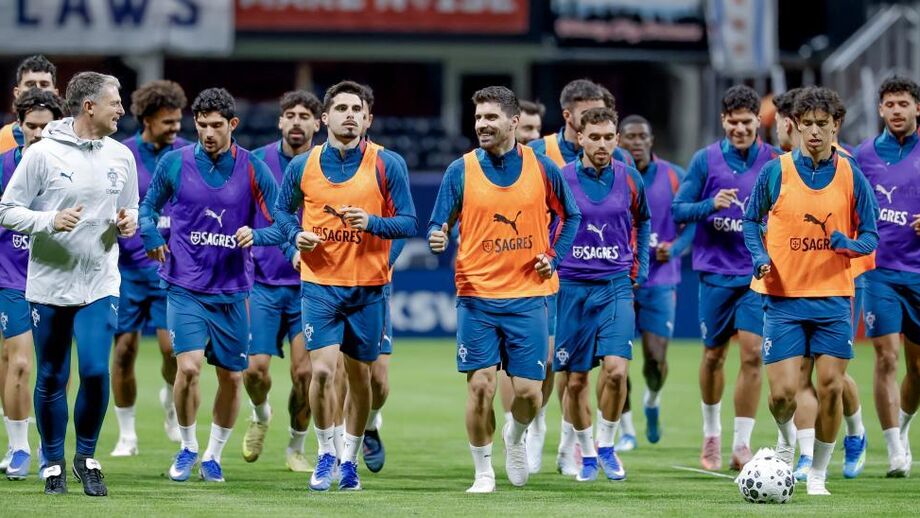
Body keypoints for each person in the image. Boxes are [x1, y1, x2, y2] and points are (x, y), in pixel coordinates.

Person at [428, 86, 581, 492]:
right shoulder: (459, 170)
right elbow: (437, 220)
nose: (482, 124)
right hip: (476, 296)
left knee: (530, 393)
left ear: (514, 122)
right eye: (478, 118)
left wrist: (555, 255)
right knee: (480, 385)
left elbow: (572, 215)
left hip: (529, 294)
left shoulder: (543, 167)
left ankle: (515, 436)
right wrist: (437, 234)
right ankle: (483, 471)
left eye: (491, 117)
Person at [266, 80, 417, 492]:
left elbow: (408, 222)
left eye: (357, 109)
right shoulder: (303, 166)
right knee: (320, 372)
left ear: (367, 119)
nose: (349, 115)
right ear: (325, 118)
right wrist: (293, 237)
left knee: (363, 379)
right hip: (320, 285)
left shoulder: (389, 164)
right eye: (342, 108)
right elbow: (280, 212)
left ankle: (349, 458)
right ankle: (326, 454)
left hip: (368, 287)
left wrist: (372, 224)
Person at [0, 72, 138, 496]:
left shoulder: (121, 156)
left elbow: (130, 206)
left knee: (96, 371)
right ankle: (54, 460)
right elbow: (7, 209)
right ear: (89, 107)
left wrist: (130, 221)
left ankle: (87, 456)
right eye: (115, 102)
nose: (122, 109)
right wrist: (49, 221)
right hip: (50, 283)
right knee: (54, 375)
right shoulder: (42, 155)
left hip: (99, 282)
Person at [140, 87, 280, 484]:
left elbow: (282, 221)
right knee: (187, 368)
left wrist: (260, 236)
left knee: (232, 377)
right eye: (201, 125)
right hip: (184, 285)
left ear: (232, 125)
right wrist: (150, 235)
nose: (207, 133)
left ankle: (214, 455)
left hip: (232, 291)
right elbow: (146, 208)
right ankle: (187, 447)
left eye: (216, 126)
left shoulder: (253, 168)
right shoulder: (174, 163)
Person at [743, 86, 879, 495]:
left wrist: (849, 246)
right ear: (795, 127)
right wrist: (759, 257)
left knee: (831, 387)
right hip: (783, 298)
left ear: (836, 126)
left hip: (834, 297)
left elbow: (871, 235)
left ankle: (817, 472)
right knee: (782, 394)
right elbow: (752, 221)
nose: (815, 132)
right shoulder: (775, 171)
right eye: (808, 125)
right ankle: (786, 441)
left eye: (823, 124)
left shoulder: (852, 174)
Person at [529, 79, 633, 475]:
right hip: (559, 282)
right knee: (553, 369)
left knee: (609, 368)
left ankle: (577, 445)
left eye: (605, 124)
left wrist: (634, 268)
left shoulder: (621, 169)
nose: (600, 134)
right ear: (570, 117)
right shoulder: (541, 156)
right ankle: (537, 430)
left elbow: (637, 218)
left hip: (608, 282)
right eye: (589, 117)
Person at [673, 85, 777, 471]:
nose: (740, 129)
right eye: (733, 123)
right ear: (723, 121)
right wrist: (709, 204)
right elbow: (679, 208)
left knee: (752, 355)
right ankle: (711, 435)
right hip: (715, 274)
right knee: (714, 356)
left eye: (747, 122)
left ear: (758, 121)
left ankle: (742, 444)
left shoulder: (774, 161)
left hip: (754, 274)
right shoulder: (705, 160)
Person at [773, 88, 870, 481]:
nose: (805, 130)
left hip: (842, 278)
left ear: (832, 125)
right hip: (796, 283)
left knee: (830, 376)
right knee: (798, 377)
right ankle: (807, 453)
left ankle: (855, 430)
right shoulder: (780, 164)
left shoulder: (846, 167)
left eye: (819, 123)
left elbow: (867, 227)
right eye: (799, 123)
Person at [552, 106, 650, 482]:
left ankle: (608, 445)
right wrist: (551, 261)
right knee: (575, 381)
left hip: (615, 286)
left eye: (610, 137)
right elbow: (546, 224)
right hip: (572, 288)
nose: (603, 144)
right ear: (579, 137)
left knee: (616, 371)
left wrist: (640, 267)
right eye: (595, 137)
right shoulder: (561, 179)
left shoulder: (629, 178)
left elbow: (643, 220)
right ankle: (587, 452)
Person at [241, 89, 321, 473]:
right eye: (290, 115)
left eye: (305, 116)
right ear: (279, 121)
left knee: (304, 373)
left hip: (310, 286)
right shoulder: (257, 163)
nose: (296, 122)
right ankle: (260, 413)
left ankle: (296, 446)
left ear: (317, 124)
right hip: (262, 283)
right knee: (255, 370)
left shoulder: (326, 165)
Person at [110, 80, 191, 456]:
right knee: (124, 350)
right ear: (145, 118)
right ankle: (127, 434)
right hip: (125, 271)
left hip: (169, 270)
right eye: (167, 122)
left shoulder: (187, 156)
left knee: (171, 351)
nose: (176, 128)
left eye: (178, 121)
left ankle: (171, 406)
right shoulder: (121, 155)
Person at [614, 114, 693, 450]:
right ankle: (627, 429)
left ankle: (652, 400)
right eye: (629, 136)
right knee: (616, 360)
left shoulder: (676, 176)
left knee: (654, 360)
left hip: (661, 279)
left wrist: (675, 249)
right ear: (619, 140)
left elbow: (692, 222)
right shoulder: (613, 177)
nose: (636, 142)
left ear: (650, 140)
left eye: (641, 136)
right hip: (619, 279)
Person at [856, 75, 920, 478]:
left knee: (918, 369)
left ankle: (904, 426)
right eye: (890, 104)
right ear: (880, 110)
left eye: (904, 104)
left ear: (917, 108)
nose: (896, 110)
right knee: (886, 356)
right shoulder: (862, 155)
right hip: (878, 272)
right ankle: (895, 449)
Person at [0, 88, 64, 480]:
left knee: (55, 370)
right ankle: (19, 447)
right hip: (12, 278)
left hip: (58, 278)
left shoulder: (70, 168)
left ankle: (49, 448)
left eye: (46, 127)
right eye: (31, 126)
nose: (38, 134)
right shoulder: (3, 166)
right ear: (18, 126)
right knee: (20, 362)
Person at [0, 55, 58, 154]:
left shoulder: (71, 136)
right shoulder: (3, 138)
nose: (37, 89)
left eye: (44, 84)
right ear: (17, 93)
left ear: (55, 93)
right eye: (30, 84)